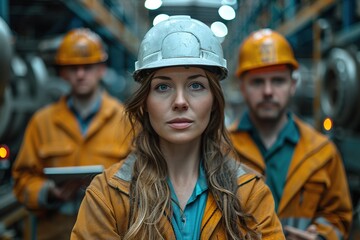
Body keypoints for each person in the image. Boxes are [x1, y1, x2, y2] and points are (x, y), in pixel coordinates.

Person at [71, 15, 284, 240]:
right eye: (163, 87)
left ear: (213, 102)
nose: (180, 101)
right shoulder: (108, 195)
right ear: (145, 103)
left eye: (196, 85)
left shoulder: (250, 193)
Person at [228, 28, 353, 240]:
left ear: (293, 84)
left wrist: (321, 237)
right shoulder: (220, 148)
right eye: (257, 82)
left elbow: (339, 216)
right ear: (242, 87)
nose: (268, 91)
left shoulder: (322, 152)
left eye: (278, 81)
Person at [12, 28, 133, 240]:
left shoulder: (126, 120)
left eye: (87, 67)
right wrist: (48, 191)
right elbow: (22, 179)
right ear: (62, 73)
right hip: (55, 229)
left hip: (110, 228)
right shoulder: (42, 122)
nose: (80, 74)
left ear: (102, 69)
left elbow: (143, 176)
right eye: (72, 68)